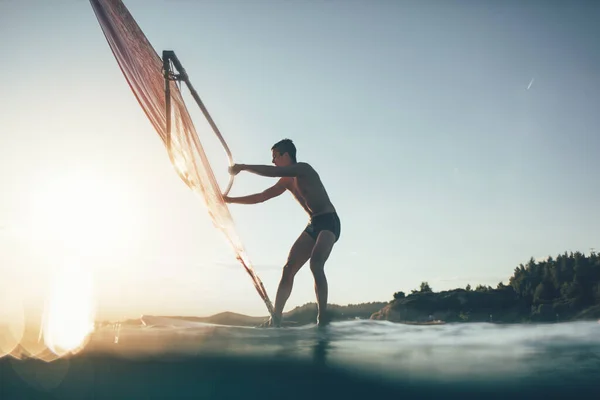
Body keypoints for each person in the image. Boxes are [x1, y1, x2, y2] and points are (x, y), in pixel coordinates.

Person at [223, 139, 341, 327]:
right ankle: (276, 318)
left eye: (275, 157)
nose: (273, 161)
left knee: (316, 263)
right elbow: (261, 197)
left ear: (285, 155)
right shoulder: (286, 181)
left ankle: (322, 319)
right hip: (314, 224)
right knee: (288, 269)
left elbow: (273, 172)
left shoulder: (303, 169)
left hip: (329, 221)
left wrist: (243, 167)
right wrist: (229, 200)